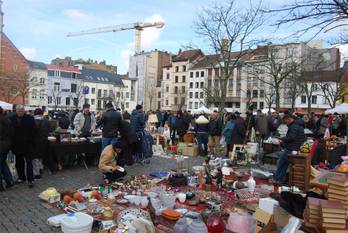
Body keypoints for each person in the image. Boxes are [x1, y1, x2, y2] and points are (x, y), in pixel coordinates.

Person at [9, 105, 37, 187]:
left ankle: (30, 179)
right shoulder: (12, 118)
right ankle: (21, 177)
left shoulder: (30, 118)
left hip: (28, 145)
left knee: (29, 163)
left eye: (22, 111)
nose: (20, 112)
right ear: (16, 111)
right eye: (18, 111)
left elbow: (34, 130)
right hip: (17, 145)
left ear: (24, 111)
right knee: (19, 163)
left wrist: (30, 139)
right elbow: (10, 131)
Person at [274, 114, 305, 183]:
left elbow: (291, 137)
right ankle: (279, 179)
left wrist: (282, 139)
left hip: (291, 148)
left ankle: (277, 179)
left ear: (289, 119)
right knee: (284, 164)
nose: (285, 123)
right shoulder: (298, 124)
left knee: (281, 164)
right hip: (294, 147)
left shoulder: (293, 126)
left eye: (285, 121)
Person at [33, 108, 51, 179]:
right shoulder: (46, 121)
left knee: (35, 158)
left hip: (35, 141)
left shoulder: (34, 121)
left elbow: (33, 132)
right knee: (41, 156)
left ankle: (37, 173)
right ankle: (40, 169)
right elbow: (49, 130)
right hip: (44, 141)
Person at [0, 107, 14, 191]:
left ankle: (1, 186)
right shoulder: (7, 120)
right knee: (3, 163)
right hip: (6, 146)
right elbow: (12, 133)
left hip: (1, 145)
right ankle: (10, 181)